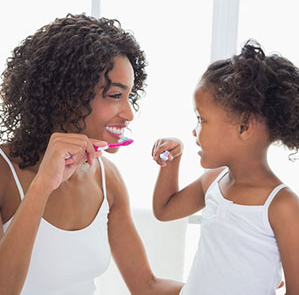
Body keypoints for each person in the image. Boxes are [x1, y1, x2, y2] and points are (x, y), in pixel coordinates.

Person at [0, 14, 183, 295]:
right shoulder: (3, 171)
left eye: (129, 96)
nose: (130, 113)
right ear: (66, 96)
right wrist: (42, 186)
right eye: (114, 95)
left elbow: (147, 286)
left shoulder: (108, 178)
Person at [152, 40, 299, 295]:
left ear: (244, 126)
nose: (194, 131)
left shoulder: (282, 206)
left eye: (202, 119)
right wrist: (171, 162)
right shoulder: (213, 180)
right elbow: (164, 210)